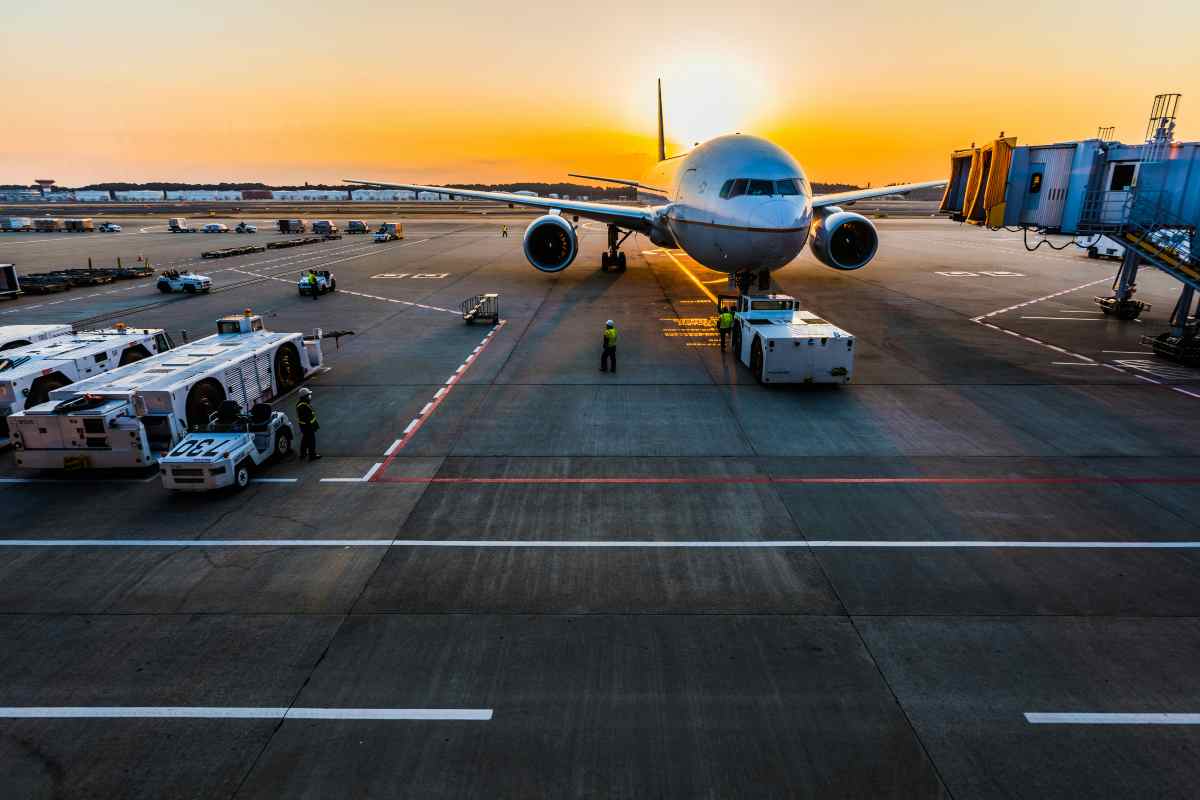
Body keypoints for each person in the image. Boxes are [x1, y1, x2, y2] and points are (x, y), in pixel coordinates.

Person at [296, 387, 320, 460]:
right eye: (308, 395)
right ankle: (312, 455)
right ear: (304, 397)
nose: (310, 396)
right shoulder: (303, 406)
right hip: (307, 426)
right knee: (311, 440)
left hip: (304, 426)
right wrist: (312, 426)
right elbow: (307, 418)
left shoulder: (303, 404)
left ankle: (303, 454)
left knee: (305, 439)